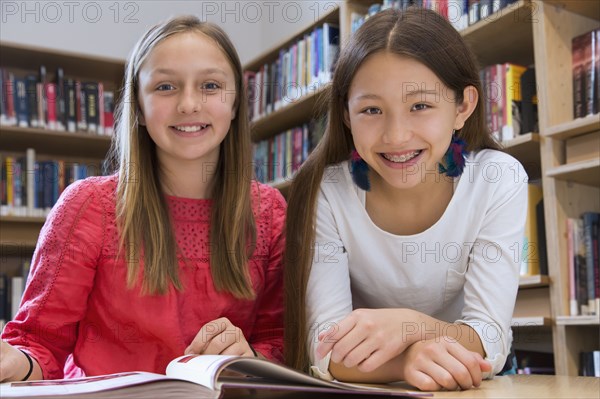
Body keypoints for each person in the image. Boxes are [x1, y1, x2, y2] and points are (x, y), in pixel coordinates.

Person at [1, 16, 285, 382]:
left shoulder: (271, 214)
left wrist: (251, 359)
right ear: (138, 105)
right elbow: (38, 344)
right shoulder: (87, 206)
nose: (188, 104)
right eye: (165, 86)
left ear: (235, 104)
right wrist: (14, 362)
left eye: (210, 85)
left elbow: (278, 343)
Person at [284, 7, 527, 391]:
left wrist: (410, 326)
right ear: (346, 115)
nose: (396, 136)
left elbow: (491, 341)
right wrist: (408, 360)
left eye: (420, 106)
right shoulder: (327, 192)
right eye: (371, 110)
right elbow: (324, 348)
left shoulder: (498, 179)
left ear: (462, 106)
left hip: (468, 385)